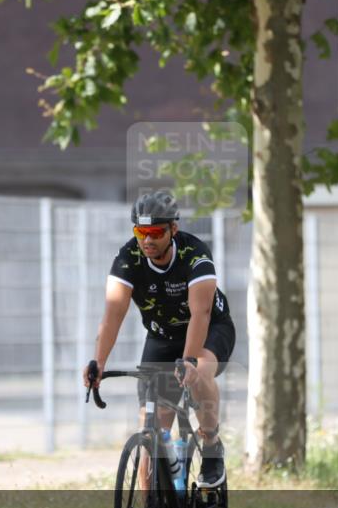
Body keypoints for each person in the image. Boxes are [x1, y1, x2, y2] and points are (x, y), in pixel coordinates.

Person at [81, 191, 235, 488]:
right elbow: (113, 314)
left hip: (209, 330)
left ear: (172, 229)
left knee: (199, 373)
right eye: (141, 232)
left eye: (155, 232)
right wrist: (98, 362)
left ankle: (212, 445)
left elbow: (201, 313)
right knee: (150, 431)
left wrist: (189, 361)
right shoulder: (128, 259)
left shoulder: (195, 254)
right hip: (162, 337)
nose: (147, 240)